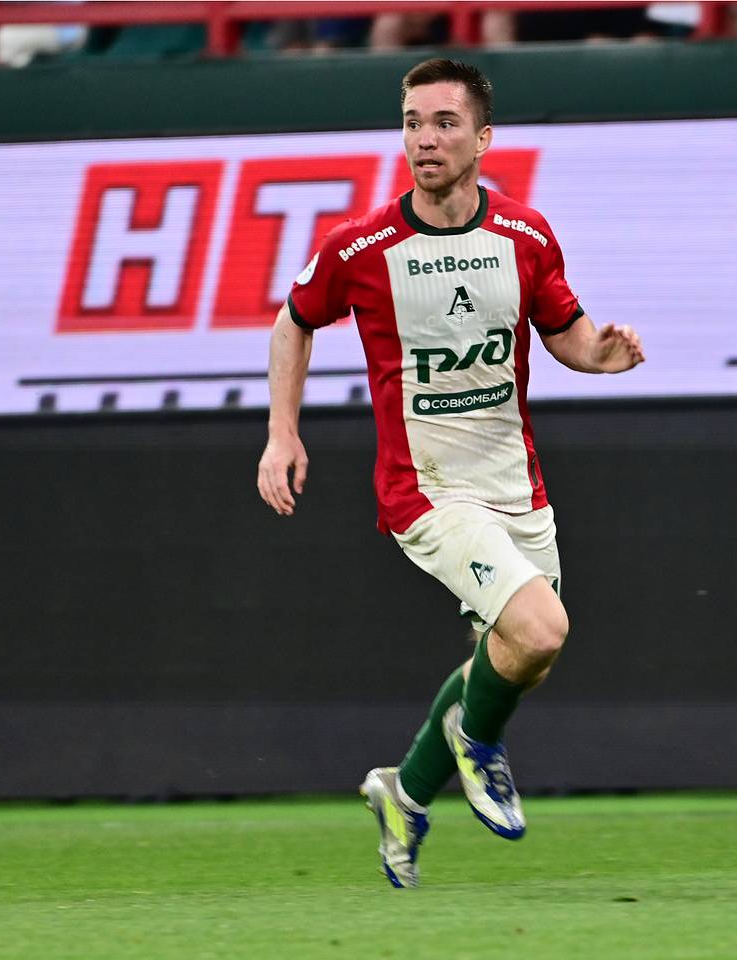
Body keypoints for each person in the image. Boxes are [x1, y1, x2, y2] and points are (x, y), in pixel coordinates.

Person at [256, 58, 645, 888]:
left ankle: (404, 792)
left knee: (517, 656)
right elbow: (293, 322)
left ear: (483, 138)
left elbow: (565, 331)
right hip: (426, 490)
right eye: (412, 123)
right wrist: (281, 434)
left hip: (517, 485)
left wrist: (601, 357)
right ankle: (477, 741)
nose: (424, 139)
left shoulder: (526, 235)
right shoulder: (361, 246)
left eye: (443, 123)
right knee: (541, 629)